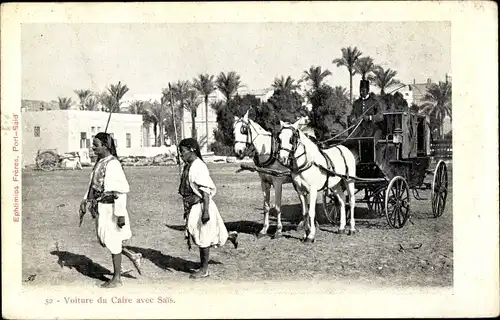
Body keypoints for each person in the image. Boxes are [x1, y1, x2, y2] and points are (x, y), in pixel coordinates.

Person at [79, 132, 142, 288]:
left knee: (112, 241)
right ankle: (131, 254)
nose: (92, 148)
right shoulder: (100, 162)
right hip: (100, 208)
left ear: (105, 146)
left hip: (112, 209)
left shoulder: (113, 164)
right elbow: (92, 184)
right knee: (104, 239)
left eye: (96, 145)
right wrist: (85, 200)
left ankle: (117, 278)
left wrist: (120, 215)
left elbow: (120, 192)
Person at [177, 138, 238, 279]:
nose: (181, 155)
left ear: (192, 150)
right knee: (196, 232)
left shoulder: (199, 167)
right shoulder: (189, 165)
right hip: (192, 206)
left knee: (203, 236)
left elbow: (205, 192)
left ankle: (204, 269)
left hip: (203, 205)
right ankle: (230, 236)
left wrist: (205, 212)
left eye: (183, 151)